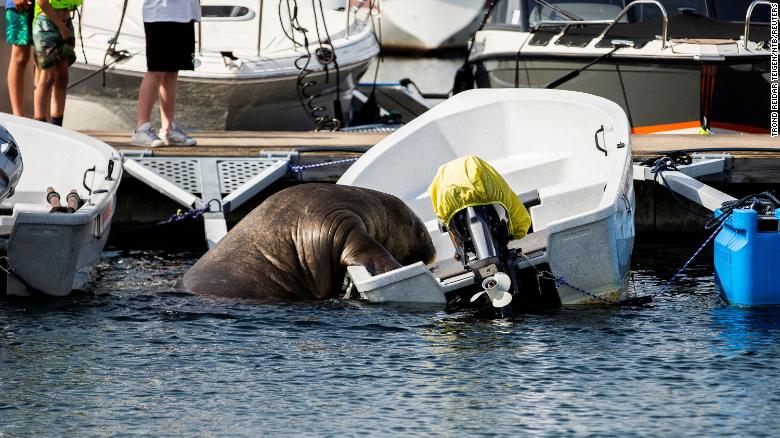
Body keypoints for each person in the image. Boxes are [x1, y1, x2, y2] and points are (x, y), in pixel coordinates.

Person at [131, 0, 200, 147]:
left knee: (172, 71)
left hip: (184, 13)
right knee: (156, 70)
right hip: (160, 14)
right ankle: (141, 129)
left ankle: (168, 129)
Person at [32, 0, 80, 126]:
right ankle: (40, 123)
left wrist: (65, 27)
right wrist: (62, 28)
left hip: (66, 22)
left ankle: (57, 124)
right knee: (48, 77)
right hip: (46, 24)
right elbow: (42, 2)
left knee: (63, 77)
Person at [5, 0, 34, 116]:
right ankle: (18, 116)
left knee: (44, 60)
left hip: (50, 7)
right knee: (20, 57)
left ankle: (42, 118)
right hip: (21, 5)